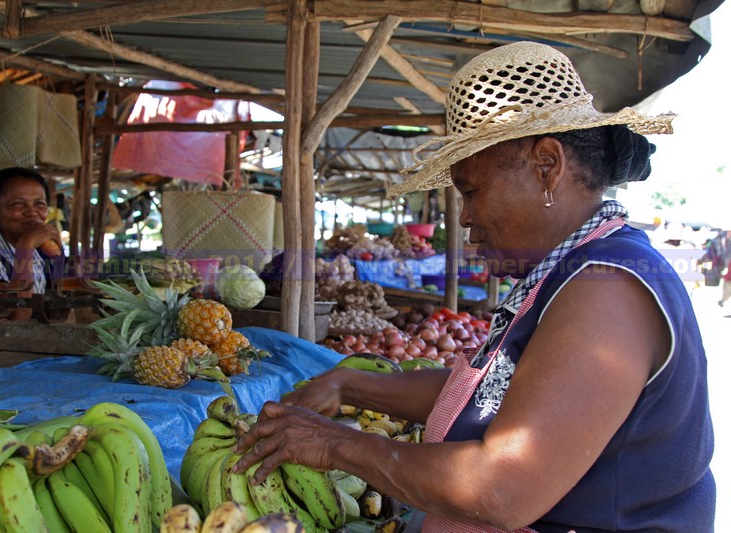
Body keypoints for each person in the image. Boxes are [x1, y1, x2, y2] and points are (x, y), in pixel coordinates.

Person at [232, 42, 715, 531]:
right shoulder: (571, 270)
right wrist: (349, 383)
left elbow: (501, 487)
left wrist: (337, 444)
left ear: (547, 166)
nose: (465, 219)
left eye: (471, 191)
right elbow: (495, 394)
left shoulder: (605, 289)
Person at [0, 167, 65, 331]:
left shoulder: (47, 252)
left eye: (40, 204)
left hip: (41, 347)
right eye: (18, 204)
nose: (32, 212)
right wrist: (26, 246)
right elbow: (17, 316)